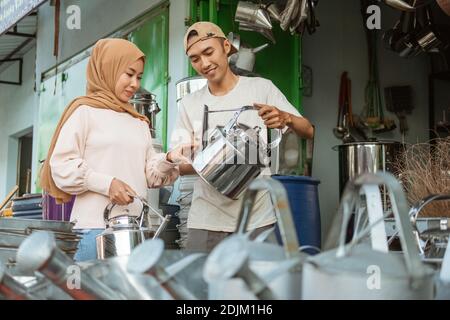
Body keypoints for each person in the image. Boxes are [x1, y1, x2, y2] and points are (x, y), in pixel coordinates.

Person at [40, 38, 191, 261]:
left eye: (138, 77)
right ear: (108, 69)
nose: (134, 84)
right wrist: (107, 184)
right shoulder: (84, 112)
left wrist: (169, 158)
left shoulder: (139, 122)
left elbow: (150, 174)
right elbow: (61, 166)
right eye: (128, 74)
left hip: (135, 232)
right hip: (93, 230)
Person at [170, 22, 314, 252]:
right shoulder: (189, 104)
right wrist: (193, 156)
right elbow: (178, 165)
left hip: (257, 218)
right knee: (201, 286)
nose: (204, 63)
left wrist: (285, 117)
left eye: (209, 52)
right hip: (206, 220)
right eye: (195, 59)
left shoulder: (260, 89)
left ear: (226, 46)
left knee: (259, 285)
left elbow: (308, 130)